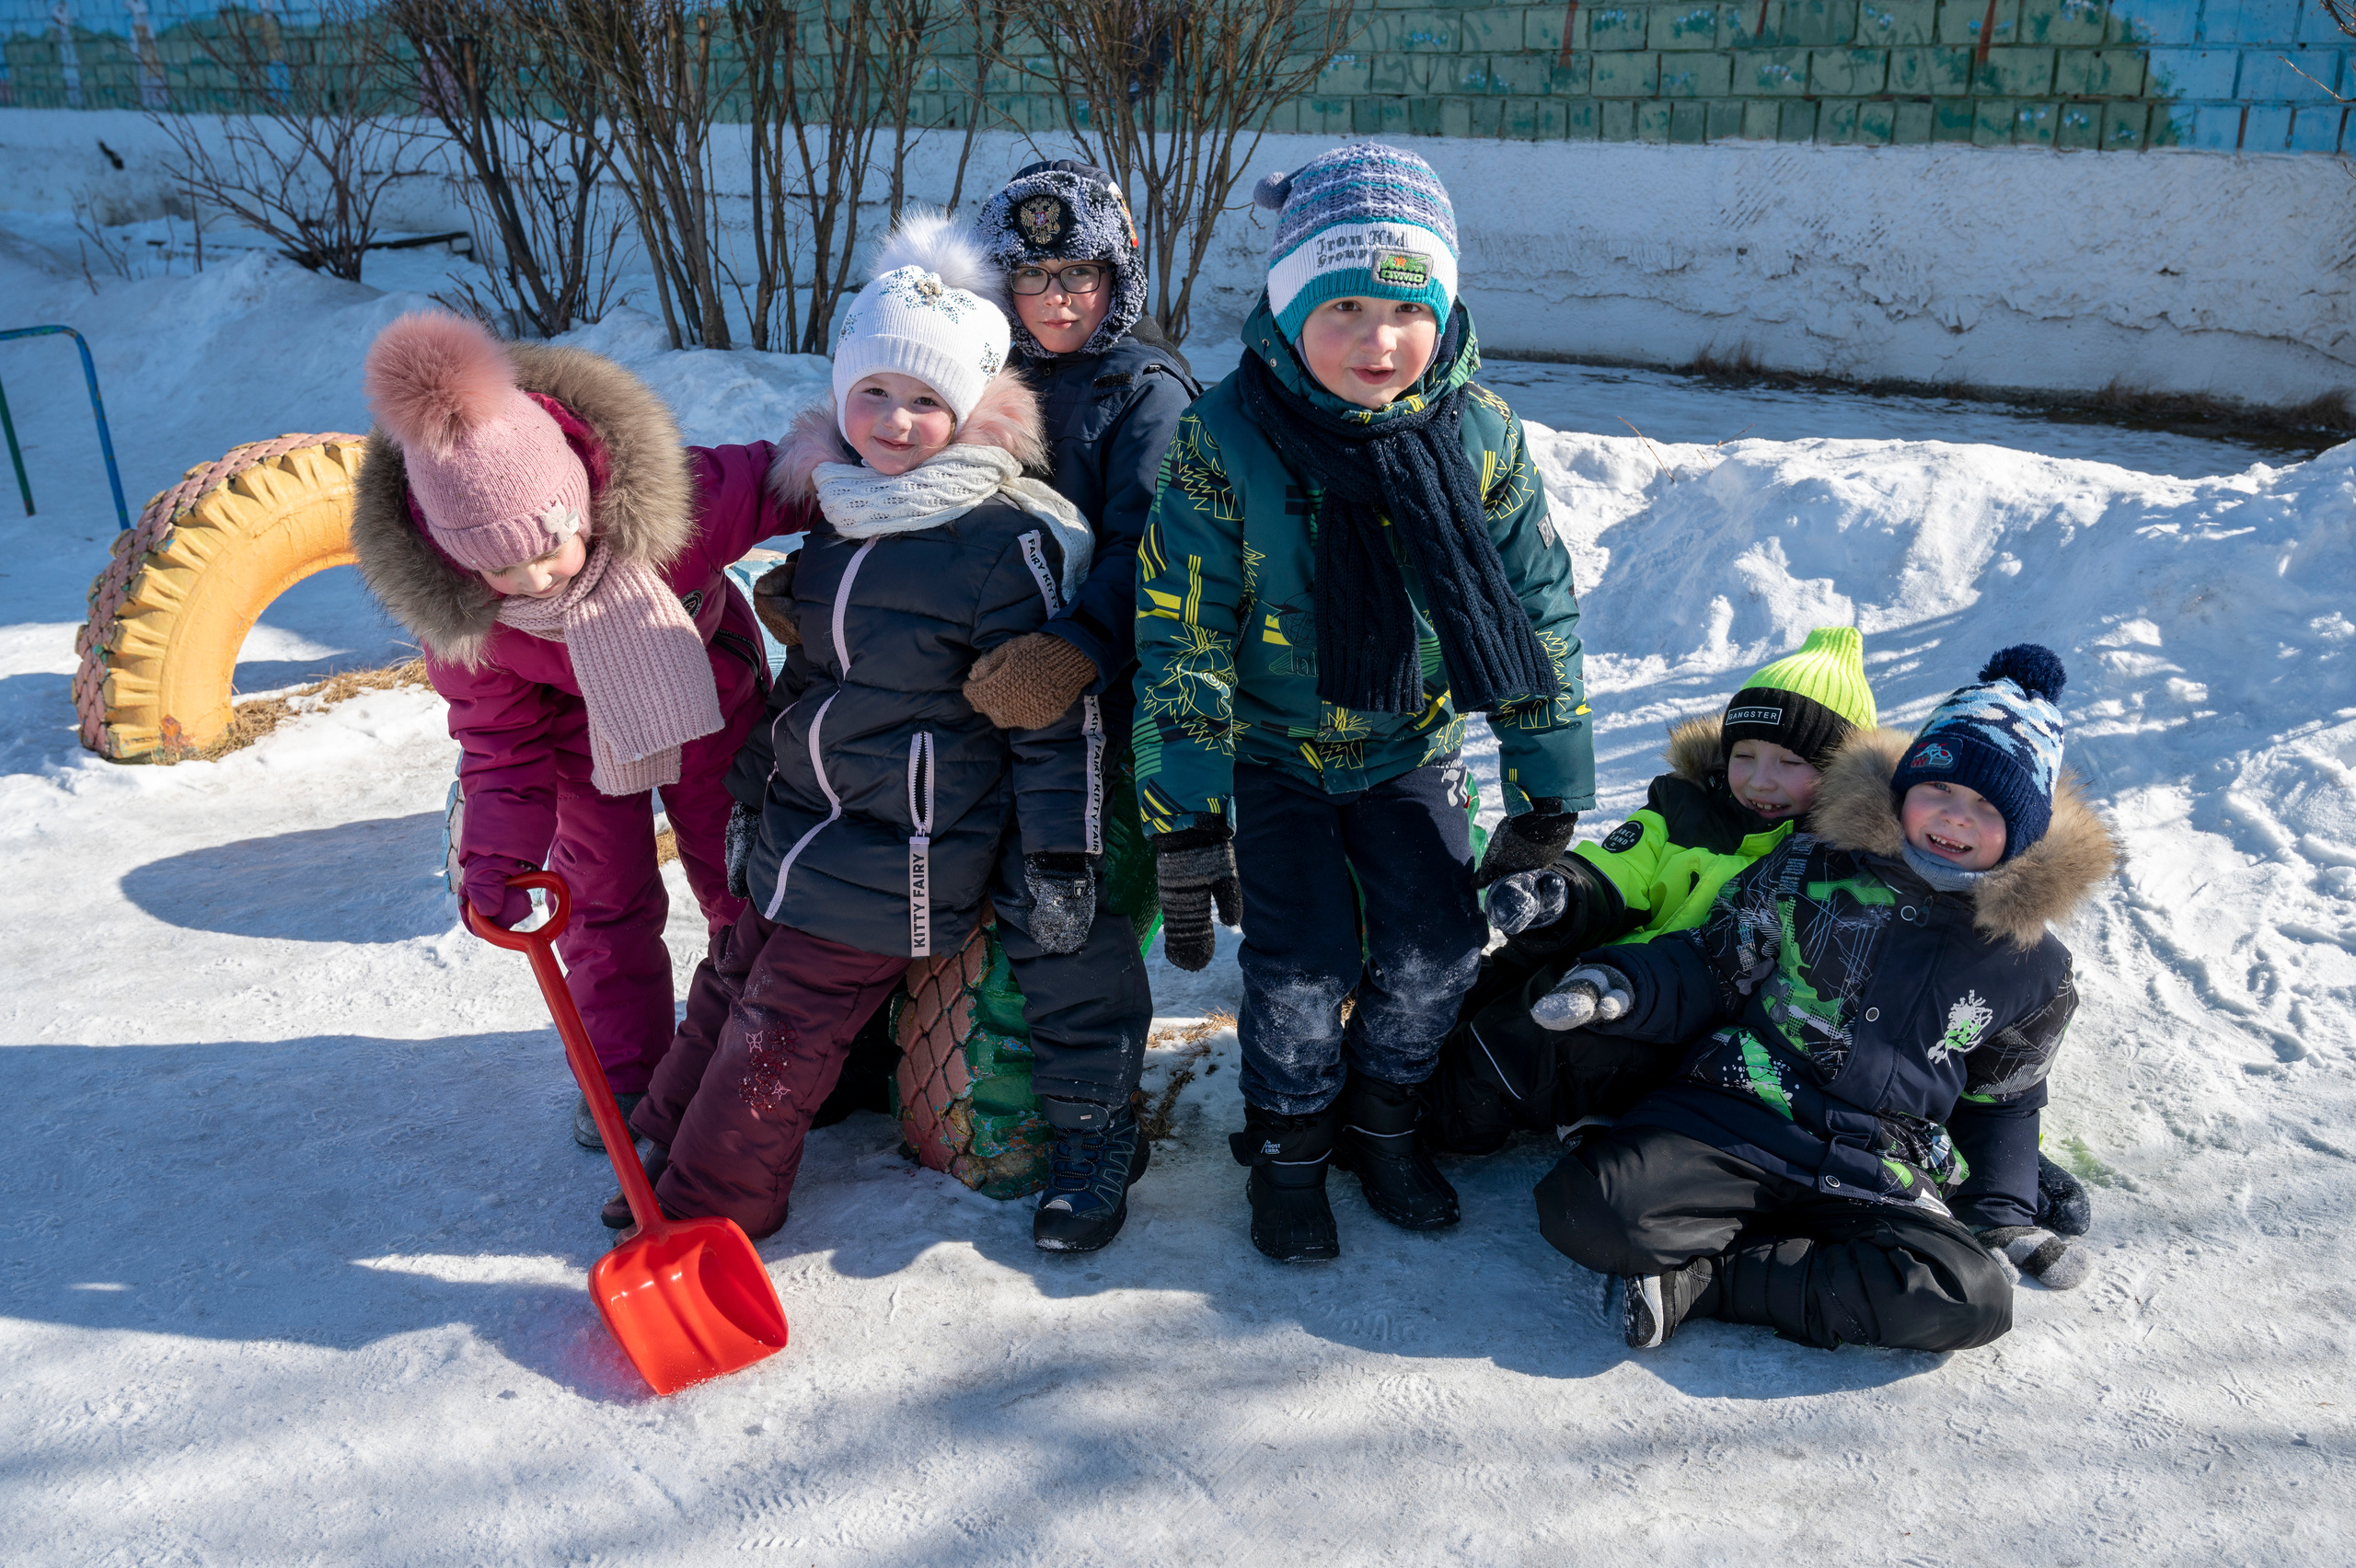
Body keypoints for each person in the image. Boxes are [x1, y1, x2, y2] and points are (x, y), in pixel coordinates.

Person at [1132, 142, 1593, 1263]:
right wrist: (1186, 823)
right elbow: (1180, 629)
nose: (1377, 342)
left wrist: (1545, 793)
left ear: (1443, 310)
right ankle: (1288, 1146)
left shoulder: (1478, 435)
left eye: (1406, 307)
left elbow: (1535, 610)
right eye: (1342, 306)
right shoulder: (1224, 436)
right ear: (1289, 307)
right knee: (1300, 968)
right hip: (1272, 751)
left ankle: (1384, 1122)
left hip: (1408, 746)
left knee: (1438, 949)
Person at [614, 214, 1106, 1242]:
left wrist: (1064, 856)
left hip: (906, 851)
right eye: (873, 391)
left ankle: (711, 1216)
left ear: (970, 411)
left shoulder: (1001, 537)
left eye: (927, 399)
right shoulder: (843, 513)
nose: (894, 420)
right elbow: (806, 685)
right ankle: (654, 1146)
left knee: (778, 1033)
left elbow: (1049, 722)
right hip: (807, 828)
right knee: (729, 982)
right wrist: (753, 797)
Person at [1532, 646, 2116, 1353]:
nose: (1955, 818)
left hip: (1883, 1162)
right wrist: (1620, 984)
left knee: (1971, 1300)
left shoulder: (2034, 967)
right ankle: (1728, 1227)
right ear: (1905, 790)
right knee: (1584, 1209)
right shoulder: (1810, 867)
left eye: (1986, 806)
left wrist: (2000, 1211)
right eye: (1939, 791)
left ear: (2022, 833)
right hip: (1743, 1108)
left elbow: (2008, 1096)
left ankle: (1710, 1281)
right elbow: (1712, 961)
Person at [352, 313, 801, 1148]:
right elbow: (499, 751)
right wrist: (498, 861)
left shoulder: (673, 503)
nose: (530, 579)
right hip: (572, 742)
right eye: (497, 567)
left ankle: (756, 1047)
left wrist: (873, 464)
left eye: (547, 547)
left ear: (580, 493)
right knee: (603, 900)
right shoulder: (472, 626)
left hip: (706, 695)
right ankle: (631, 1076)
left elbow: (784, 480)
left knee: (739, 874)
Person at [935, 161, 1197, 1250]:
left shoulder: (1145, 390)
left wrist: (1079, 646)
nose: (1055, 298)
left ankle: (1096, 1132)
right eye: (1031, 275)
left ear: (1116, 276)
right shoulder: (972, 372)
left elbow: (1159, 544)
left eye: (1078, 273)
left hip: (1099, 699)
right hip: (980, 687)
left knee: (1066, 900)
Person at [1426, 627, 1878, 1155]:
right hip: (1614, 968)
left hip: (1686, 1017)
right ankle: (1390, 1075)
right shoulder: (1686, 806)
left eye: (1791, 763)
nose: (1760, 780)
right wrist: (1561, 892)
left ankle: (1427, 1119)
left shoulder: (1830, 865)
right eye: (1745, 755)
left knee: (1526, 1045)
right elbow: (1624, 866)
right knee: (1488, 982)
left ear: (1839, 774)